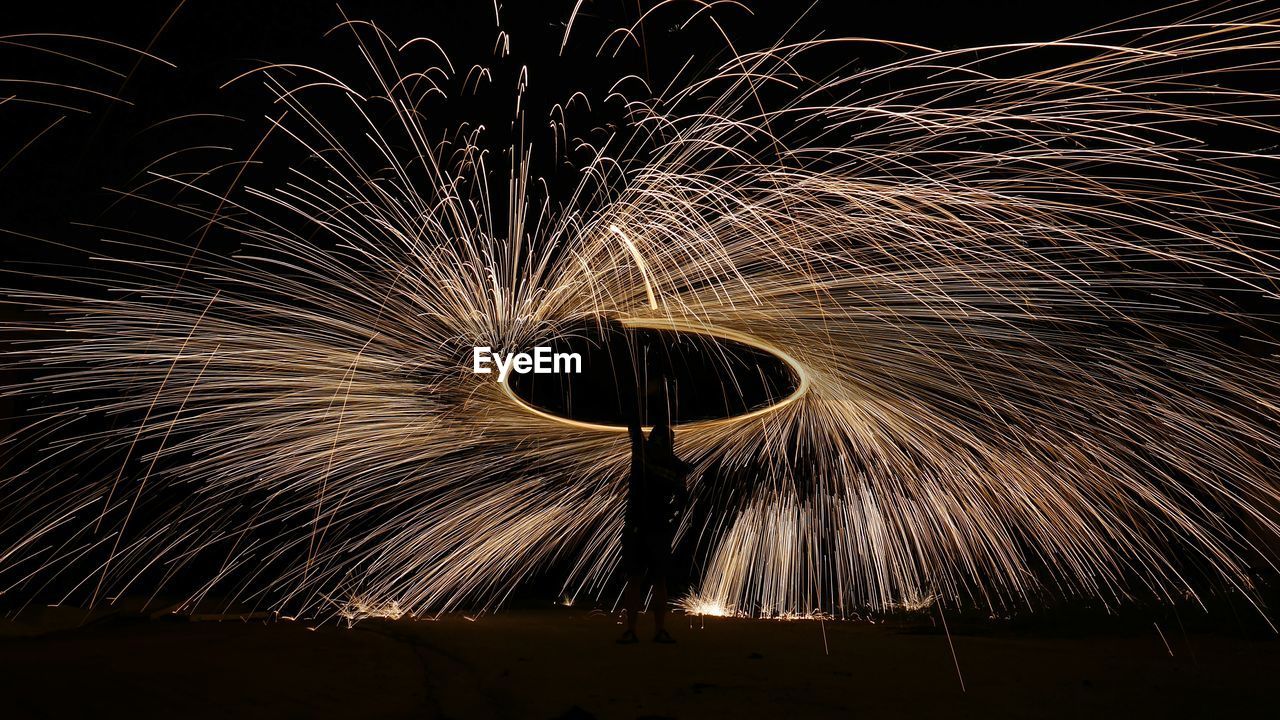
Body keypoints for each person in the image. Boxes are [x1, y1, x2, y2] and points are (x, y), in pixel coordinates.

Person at [618, 383, 690, 644]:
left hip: (638, 526)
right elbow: (683, 500)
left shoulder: (642, 454)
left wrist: (637, 395)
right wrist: (671, 515)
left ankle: (632, 631)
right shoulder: (676, 466)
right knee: (657, 581)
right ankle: (657, 630)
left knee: (637, 580)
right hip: (656, 528)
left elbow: (633, 425)